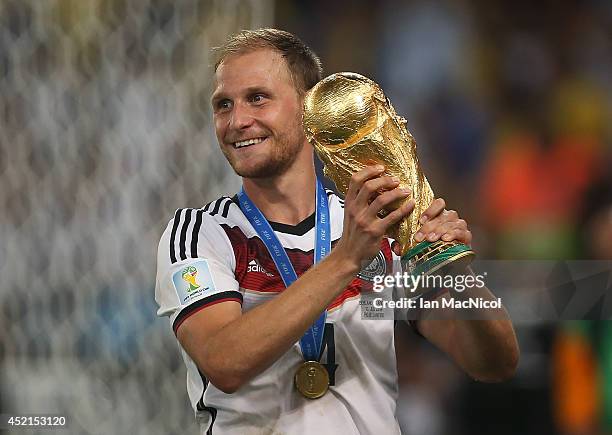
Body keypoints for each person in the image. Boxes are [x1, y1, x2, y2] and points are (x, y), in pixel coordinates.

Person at [155, 28, 519, 434]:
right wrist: (346, 259)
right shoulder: (202, 234)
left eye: (258, 98)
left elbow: (495, 362)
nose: (237, 121)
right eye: (223, 104)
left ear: (308, 109)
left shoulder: (380, 228)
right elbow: (224, 362)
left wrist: (452, 267)